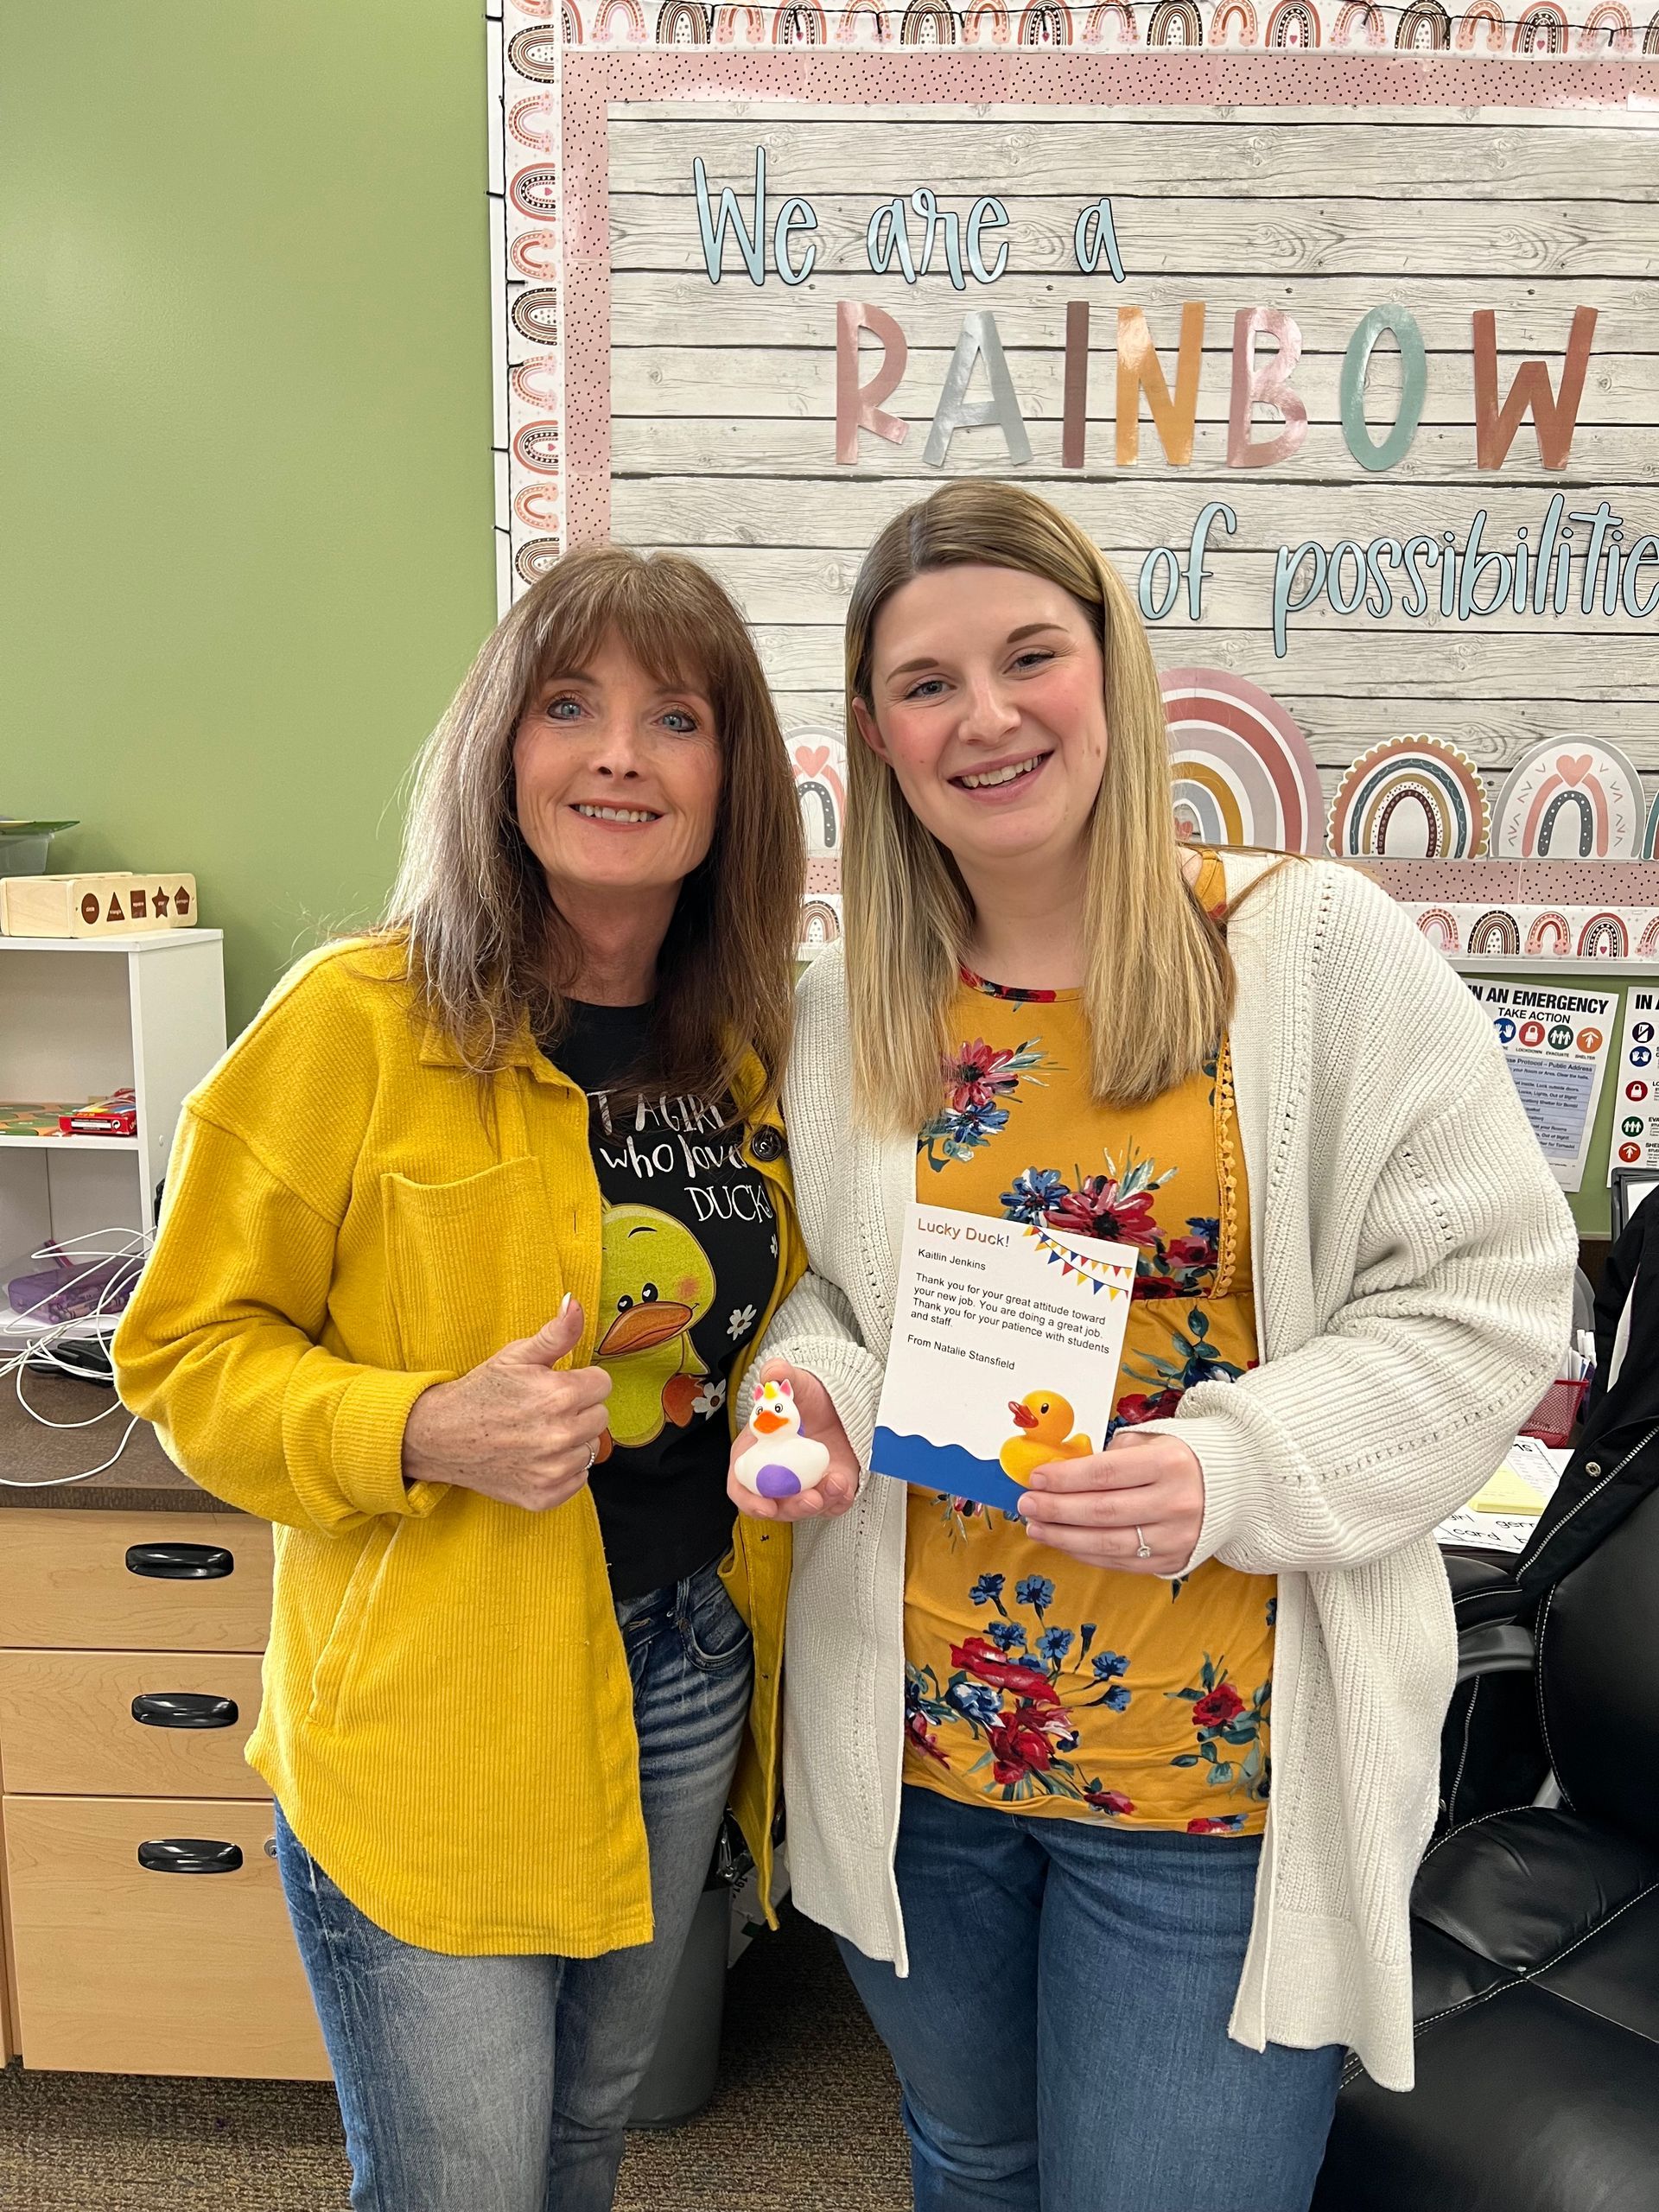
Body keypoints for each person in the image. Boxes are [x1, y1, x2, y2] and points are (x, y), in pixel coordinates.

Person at [728, 481, 1577, 2212]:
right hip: (920, 1754)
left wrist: (1238, 1462)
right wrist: (805, 1388)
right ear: (878, 734)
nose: (985, 714)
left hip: (1217, 1780)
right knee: (974, 2158)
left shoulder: (1311, 950)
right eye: (926, 682)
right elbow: (829, 1295)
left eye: (1030, 655)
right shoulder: (847, 1007)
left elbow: (1490, 1287)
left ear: (1111, 669)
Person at [114, 545, 805, 2212]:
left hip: (685, 1668)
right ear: (503, 752)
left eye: (676, 717)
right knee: (463, 2184)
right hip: (438, 1711)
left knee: (586, 2143)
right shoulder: (354, 1020)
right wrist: (420, 1422)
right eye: (569, 707)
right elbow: (179, 1355)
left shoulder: (751, 1041)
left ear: (734, 782)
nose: (619, 754)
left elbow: (787, 1315)